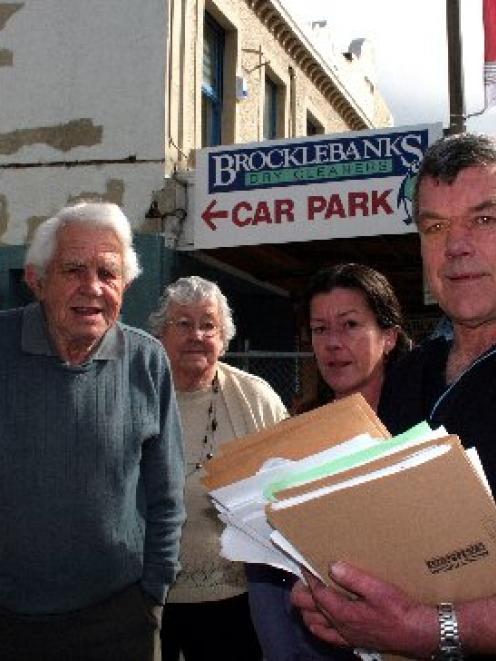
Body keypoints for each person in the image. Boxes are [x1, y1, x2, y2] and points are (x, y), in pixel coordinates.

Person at [291, 132, 496, 660]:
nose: (456, 247)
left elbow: (423, 622)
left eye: (484, 219)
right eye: (435, 227)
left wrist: (435, 628)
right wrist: (343, 596)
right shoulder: (408, 375)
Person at [0, 202, 185, 661]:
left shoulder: (148, 360)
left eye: (108, 272)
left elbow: (167, 492)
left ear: (126, 284)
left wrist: (153, 591)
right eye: (74, 270)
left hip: (117, 616)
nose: (93, 288)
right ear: (36, 280)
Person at [248, 262, 411, 661]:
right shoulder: (294, 437)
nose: (332, 343)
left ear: (388, 336)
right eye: (320, 329)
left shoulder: (421, 431)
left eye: (350, 325)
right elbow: (267, 575)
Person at [148, 275, 288, 661]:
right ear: (160, 335)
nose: (197, 335)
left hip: (236, 597)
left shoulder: (254, 397)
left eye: (208, 325)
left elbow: (290, 481)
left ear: (223, 338)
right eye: (183, 323)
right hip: (148, 596)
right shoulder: (138, 393)